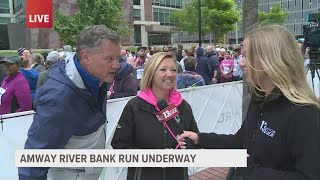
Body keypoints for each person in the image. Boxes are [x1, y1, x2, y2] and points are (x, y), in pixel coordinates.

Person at [177, 24, 320, 180]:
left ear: (269, 59)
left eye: (246, 55)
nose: (241, 62)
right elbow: (241, 140)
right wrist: (200, 138)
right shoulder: (259, 99)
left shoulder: (304, 114)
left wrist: (249, 170)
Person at [18, 25, 121, 179]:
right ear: (85, 57)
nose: (117, 65)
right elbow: (33, 160)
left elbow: (124, 69)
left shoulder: (98, 72)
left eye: (118, 58)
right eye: (110, 59)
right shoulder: (58, 98)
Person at [111, 52, 199, 180]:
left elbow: (195, 140)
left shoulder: (183, 107)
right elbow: (120, 146)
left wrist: (188, 145)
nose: (169, 74)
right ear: (151, 73)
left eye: (173, 70)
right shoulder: (135, 106)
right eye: (163, 69)